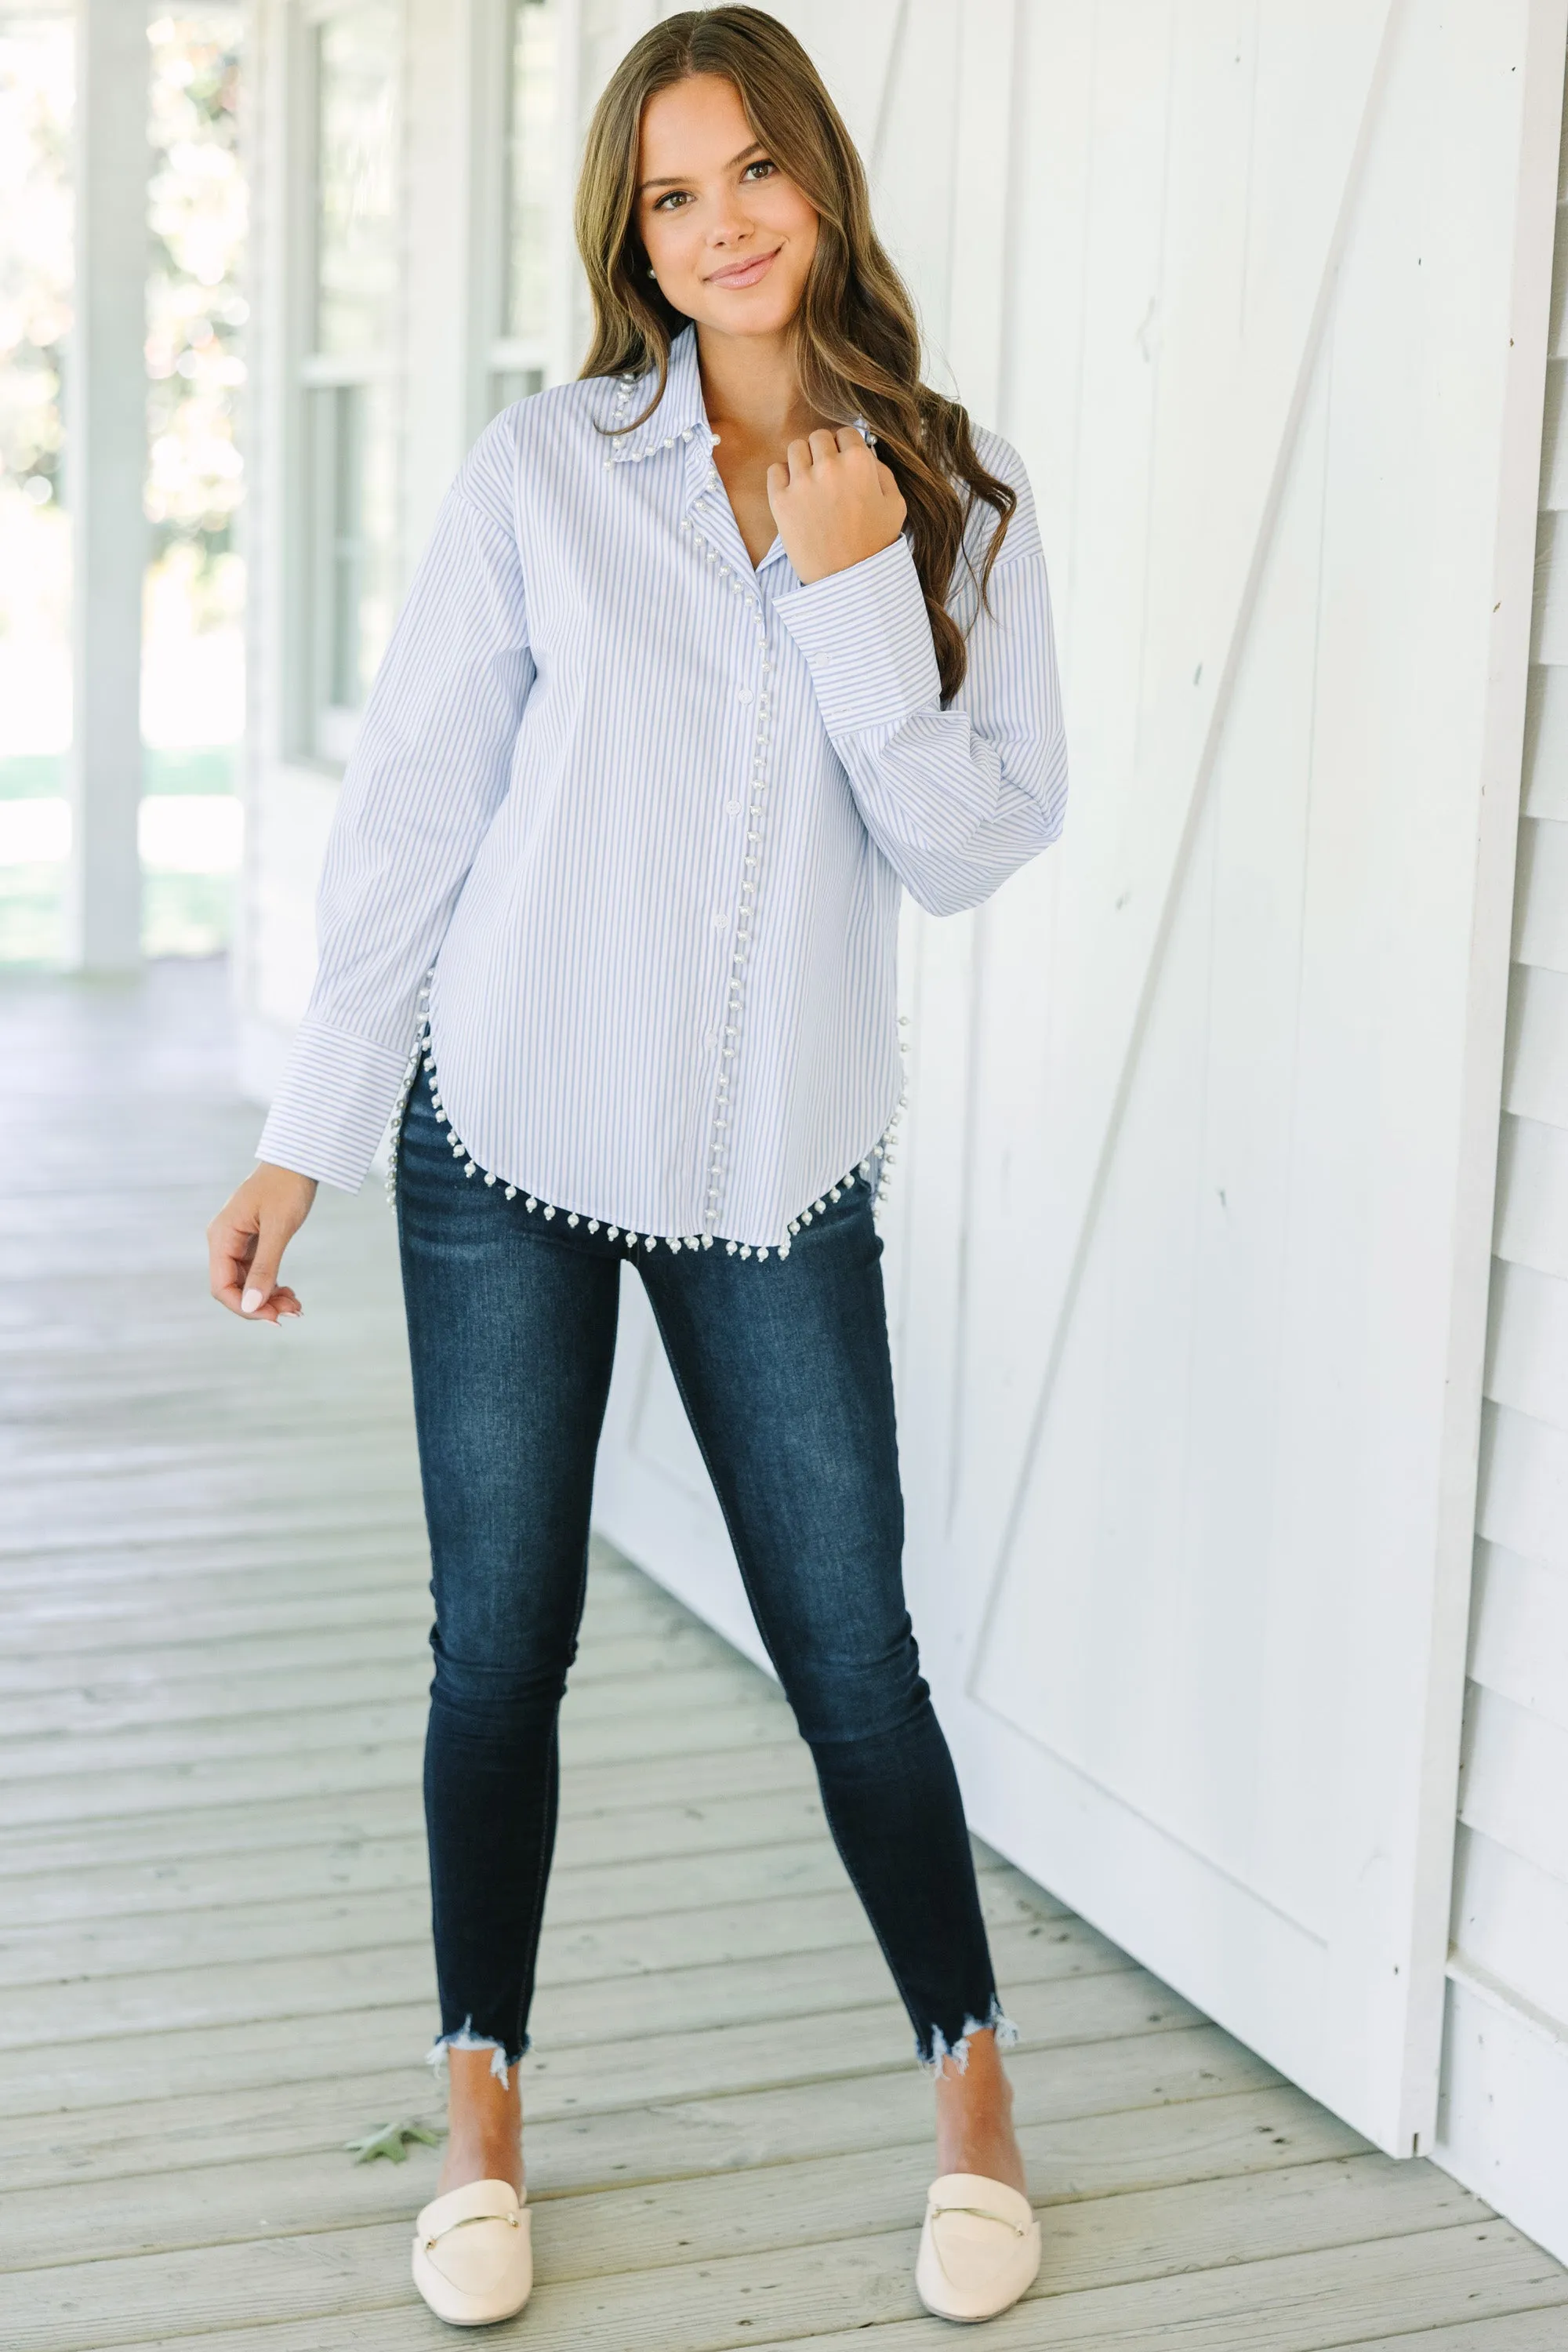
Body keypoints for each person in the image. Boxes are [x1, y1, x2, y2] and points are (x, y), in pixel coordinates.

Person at [207, 5, 1066, 2328]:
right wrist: (307, 1134)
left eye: (752, 170)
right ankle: (480, 2102)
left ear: (822, 176)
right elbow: (419, 813)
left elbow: (979, 844)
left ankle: (971, 2088)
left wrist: (860, 585)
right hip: (506, 1122)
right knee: (501, 1646)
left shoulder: (951, 491)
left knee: (852, 1648)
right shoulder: (543, 471)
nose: (722, 226)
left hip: (779, 1155)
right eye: (672, 194)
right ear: (635, 229)